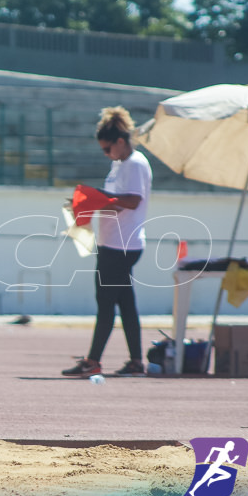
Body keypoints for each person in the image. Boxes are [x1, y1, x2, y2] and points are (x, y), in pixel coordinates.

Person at [63, 106, 152, 378]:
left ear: (120, 142)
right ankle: (136, 361)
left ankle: (93, 360)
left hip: (120, 246)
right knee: (125, 304)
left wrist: (97, 198)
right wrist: (89, 204)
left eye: (107, 148)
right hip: (115, 243)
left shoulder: (135, 164)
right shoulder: (120, 164)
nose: (106, 154)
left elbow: (132, 201)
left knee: (105, 302)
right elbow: (115, 203)